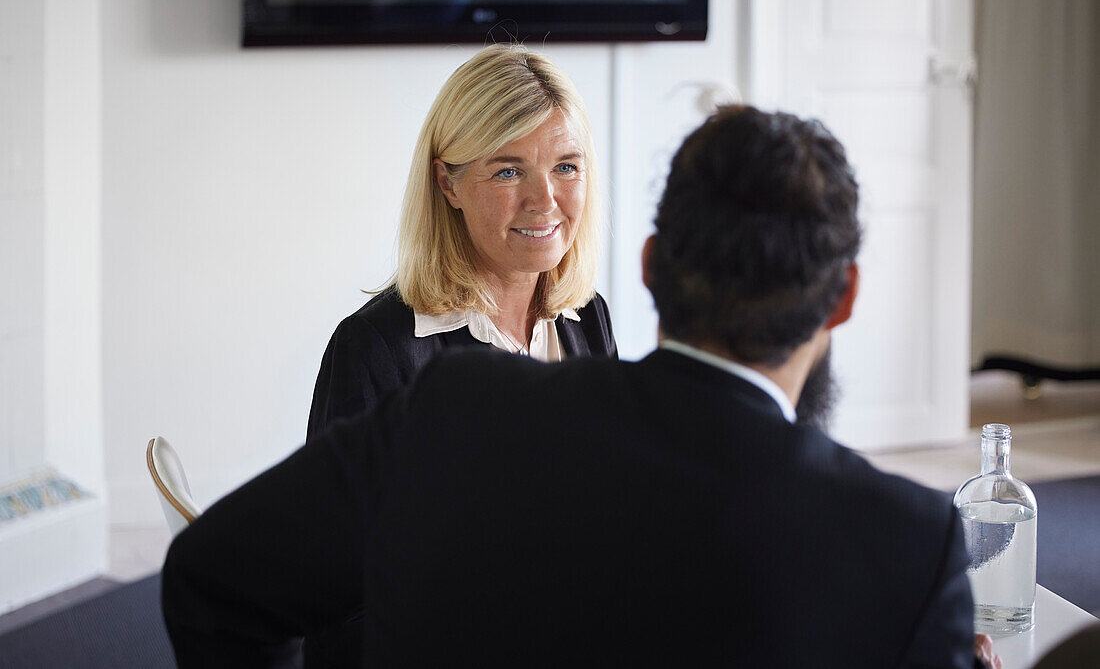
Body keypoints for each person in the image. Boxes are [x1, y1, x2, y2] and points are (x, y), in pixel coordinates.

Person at [162, 106, 992, 667]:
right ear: (844, 296)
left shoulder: (453, 412)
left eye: (563, 166)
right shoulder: (910, 548)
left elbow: (213, 577)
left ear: (651, 264)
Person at [306, 44, 616, 443]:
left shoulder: (589, 317)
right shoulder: (373, 347)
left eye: (566, 167)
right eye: (508, 171)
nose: (544, 200)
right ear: (447, 182)